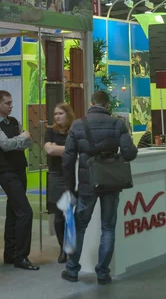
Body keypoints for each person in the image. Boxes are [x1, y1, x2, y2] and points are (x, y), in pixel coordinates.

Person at [61, 90, 138, 286]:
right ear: (107, 105)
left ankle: (72, 270)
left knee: (79, 227)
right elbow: (130, 153)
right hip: (111, 182)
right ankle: (103, 273)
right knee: (108, 228)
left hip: (87, 185)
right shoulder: (118, 124)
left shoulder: (78, 125)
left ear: (90, 103)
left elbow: (67, 161)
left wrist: (70, 187)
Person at [0, 90, 39, 271]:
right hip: (7, 172)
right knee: (25, 212)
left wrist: (18, 141)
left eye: (11, 103)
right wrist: (20, 139)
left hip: (20, 170)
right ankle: (21, 256)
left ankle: (10, 254)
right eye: (8, 103)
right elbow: (6, 145)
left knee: (13, 213)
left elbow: (28, 143)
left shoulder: (14, 122)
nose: (11, 106)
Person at [44, 102, 76, 264]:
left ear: (68, 115)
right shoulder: (50, 131)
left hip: (72, 176)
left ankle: (73, 248)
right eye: (55, 114)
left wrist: (59, 148)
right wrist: (67, 149)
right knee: (58, 217)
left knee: (71, 214)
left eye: (60, 114)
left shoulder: (75, 131)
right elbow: (49, 150)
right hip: (56, 176)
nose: (56, 117)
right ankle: (62, 249)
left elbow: (77, 150)